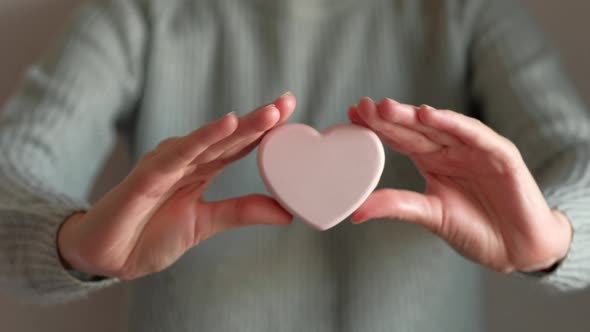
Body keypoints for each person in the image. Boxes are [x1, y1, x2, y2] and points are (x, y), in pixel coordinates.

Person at [1, 0, 589, 330]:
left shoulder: (469, 14)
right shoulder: (141, 15)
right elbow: (13, 171)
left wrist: (557, 234)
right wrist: (73, 245)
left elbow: (574, 152)